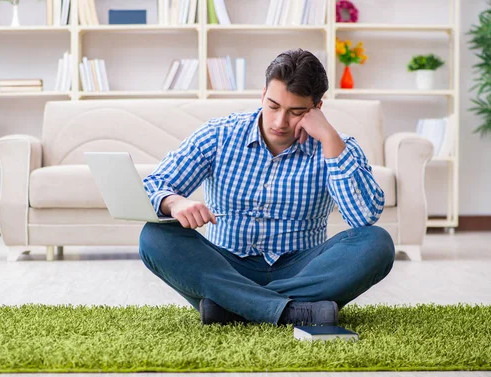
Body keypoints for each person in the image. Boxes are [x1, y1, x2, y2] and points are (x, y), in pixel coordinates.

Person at [139, 48, 395, 327]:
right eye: (273, 106)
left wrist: (330, 141)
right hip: (226, 268)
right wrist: (175, 203)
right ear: (263, 95)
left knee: (377, 243)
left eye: (296, 112)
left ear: (316, 109)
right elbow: (153, 185)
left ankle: (232, 308)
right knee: (154, 236)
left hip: (302, 271)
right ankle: (290, 311)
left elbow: (363, 219)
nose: (279, 122)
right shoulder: (219, 134)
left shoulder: (336, 145)